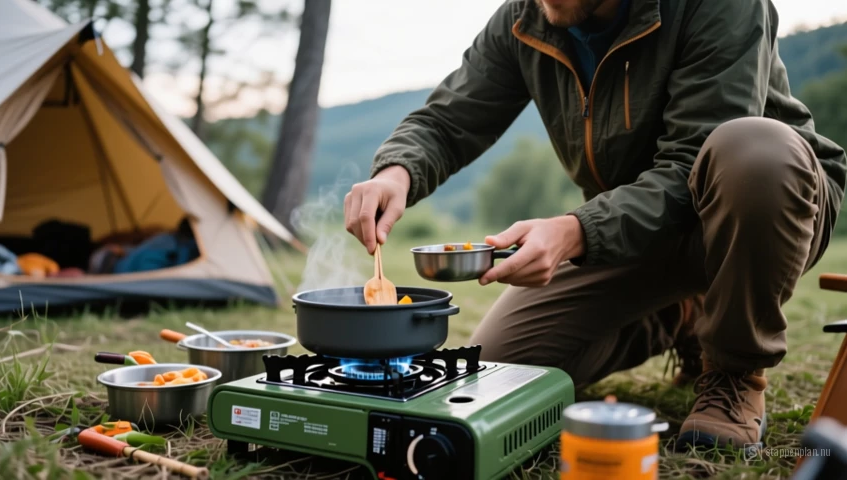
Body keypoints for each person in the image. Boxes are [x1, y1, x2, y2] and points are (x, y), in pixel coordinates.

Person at [343, 0, 847, 454]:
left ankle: (735, 374)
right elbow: (447, 121)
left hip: (757, 209)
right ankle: (683, 315)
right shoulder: (525, 18)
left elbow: (691, 162)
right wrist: (397, 171)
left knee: (754, 150)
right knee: (505, 368)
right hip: (628, 234)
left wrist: (574, 230)